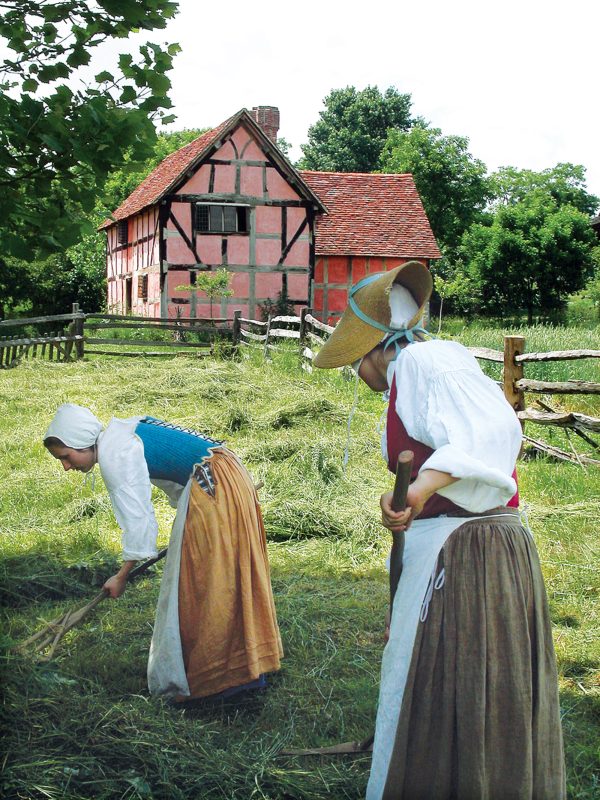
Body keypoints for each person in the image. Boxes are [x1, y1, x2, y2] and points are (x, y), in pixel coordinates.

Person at [313, 261, 565, 799]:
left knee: (460, 679)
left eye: (356, 362)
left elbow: (489, 435)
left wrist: (419, 491)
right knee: (439, 676)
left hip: (469, 551)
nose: (359, 375)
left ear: (377, 347)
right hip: (453, 548)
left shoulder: (426, 361)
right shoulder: (420, 368)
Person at [44, 404, 283, 701]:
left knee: (205, 580)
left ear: (82, 442)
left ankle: (221, 678)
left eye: (66, 457)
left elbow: (139, 522)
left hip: (214, 484)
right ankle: (247, 667)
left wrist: (121, 576)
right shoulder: (123, 430)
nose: (66, 466)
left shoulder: (113, 454)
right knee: (227, 572)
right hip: (226, 473)